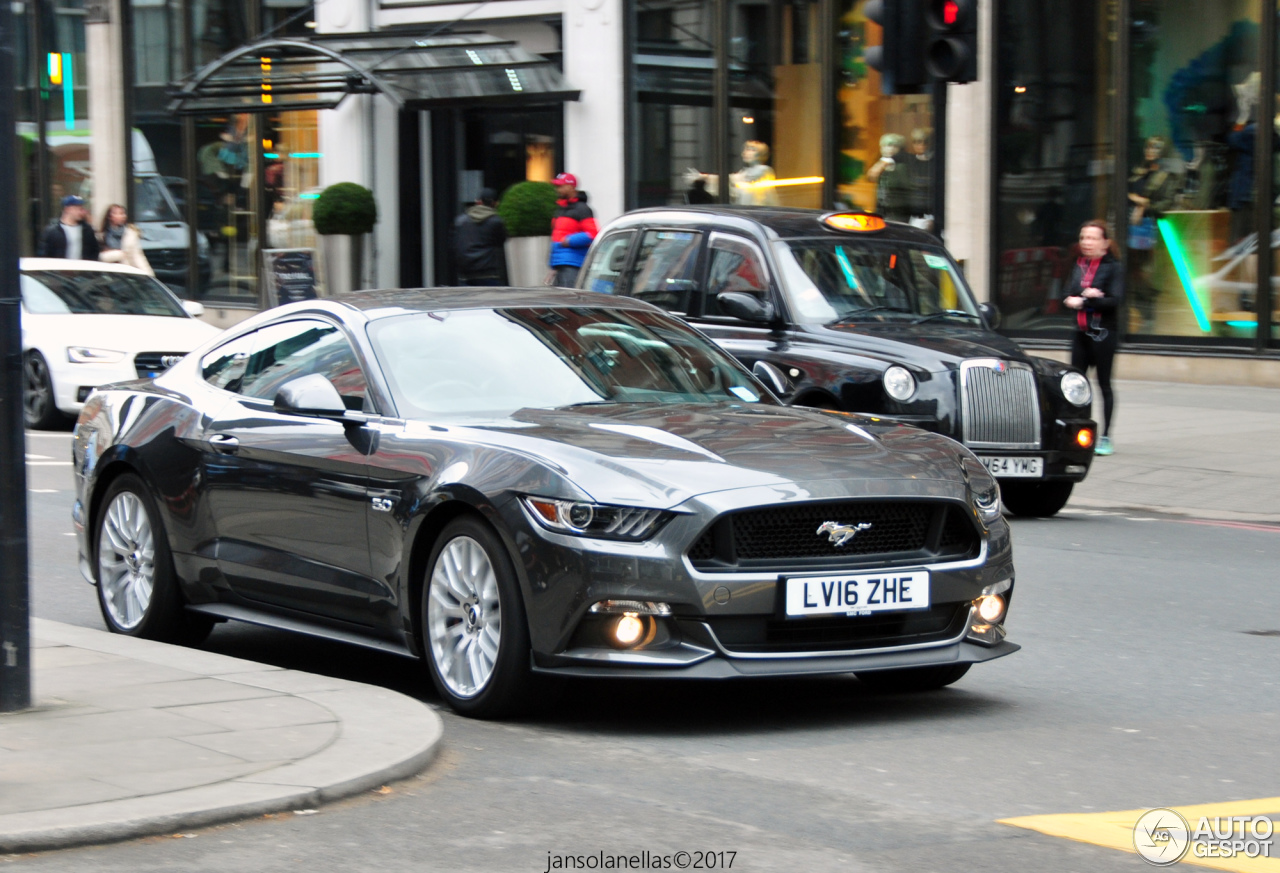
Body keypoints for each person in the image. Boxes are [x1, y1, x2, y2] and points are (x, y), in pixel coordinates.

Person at [1063, 219, 1123, 456]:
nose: (1087, 243)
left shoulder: (1113, 267)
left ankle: (1106, 436)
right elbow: (1067, 294)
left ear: (1105, 243)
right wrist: (1079, 297)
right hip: (1080, 334)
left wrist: (1087, 300)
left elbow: (1114, 300)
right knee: (1075, 385)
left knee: (1104, 384)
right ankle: (1076, 435)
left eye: (1092, 238)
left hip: (1104, 335)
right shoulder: (1079, 265)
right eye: (1083, 238)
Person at [1127, 135, 1178, 331]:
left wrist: (1145, 204)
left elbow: (1167, 203)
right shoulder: (1137, 173)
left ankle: (1150, 312)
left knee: (1148, 270)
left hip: (1151, 227)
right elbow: (1128, 194)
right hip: (1132, 226)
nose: (1151, 151)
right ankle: (1137, 313)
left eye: (1156, 148)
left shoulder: (1166, 176)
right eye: (1149, 147)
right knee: (1133, 269)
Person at [549, 173, 597, 287]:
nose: (558, 189)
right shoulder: (561, 209)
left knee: (569, 300)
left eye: (561, 186)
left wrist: (569, 240)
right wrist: (554, 265)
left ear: (571, 187)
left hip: (573, 264)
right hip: (562, 264)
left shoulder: (582, 209)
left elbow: (593, 234)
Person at [454, 187, 508, 286]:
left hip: (466, 273)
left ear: (478, 202)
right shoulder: (496, 221)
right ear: (495, 203)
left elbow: (454, 245)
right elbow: (501, 241)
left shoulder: (460, 221)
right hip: (488, 272)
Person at [38, 195, 100, 261]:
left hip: (82, 269)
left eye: (82, 208)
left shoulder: (87, 230)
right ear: (67, 209)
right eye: (78, 209)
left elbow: (94, 252)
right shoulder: (52, 231)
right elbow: (44, 254)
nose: (82, 212)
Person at [98, 204, 155, 276]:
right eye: (117, 213)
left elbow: (137, 256)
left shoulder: (130, 234)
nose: (121, 216)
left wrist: (148, 274)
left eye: (122, 213)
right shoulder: (102, 236)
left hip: (127, 273)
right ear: (109, 216)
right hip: (109, 275)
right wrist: (117, 254)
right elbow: (99, 258)